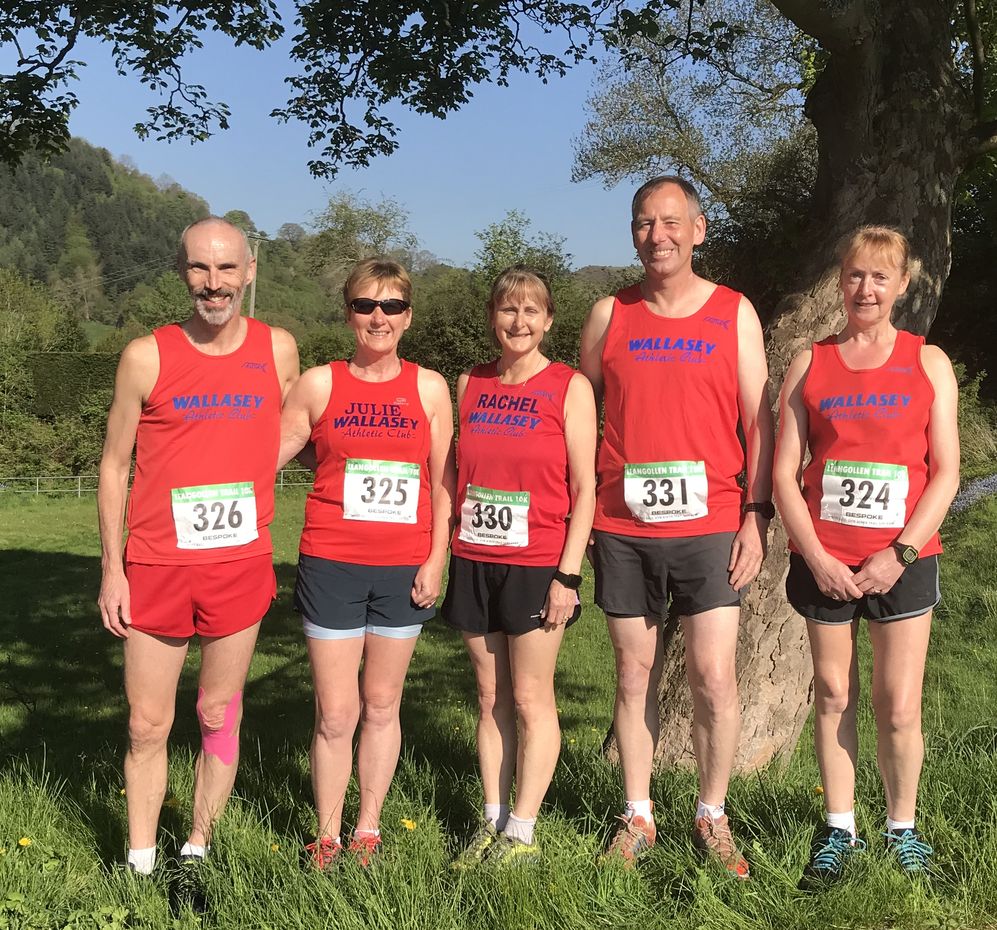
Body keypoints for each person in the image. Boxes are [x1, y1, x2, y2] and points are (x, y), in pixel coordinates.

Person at [97, 217, 299, 896]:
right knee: (147, 722)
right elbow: (112, 466)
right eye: (199, 269)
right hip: (155, 567)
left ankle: (197, 849)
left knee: (218, 711)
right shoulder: (145, 356)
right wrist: (110, 568)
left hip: (240, 568)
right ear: (183, 273)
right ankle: (140, 860)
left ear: (249, 271)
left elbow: (298, 432)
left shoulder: (279, 351)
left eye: (226, 269)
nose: (213, 284)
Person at [579, 176, 774, 878]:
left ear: (697, 228)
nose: (655, 234)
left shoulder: (732, 313)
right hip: (623, 527)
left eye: (669, 221)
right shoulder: (608, 314)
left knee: (713, 678)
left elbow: (758, 420)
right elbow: (577, 418)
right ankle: (637, 815)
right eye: (641, 222)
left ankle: (711, 814)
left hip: (713, 522)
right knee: (632, 676)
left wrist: (755, 515)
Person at [773, 226, 959, 883]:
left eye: (880, 277)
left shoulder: (926, 362)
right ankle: (839, 829)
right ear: (839, 280)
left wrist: (899, 553)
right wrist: (816, 556)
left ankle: (902, 831)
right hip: (826, 559)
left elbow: (945, 473)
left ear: (902, 285)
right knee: (831, 694)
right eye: (854, 274)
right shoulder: (808, 362)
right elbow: (783, 475)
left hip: (900, 562)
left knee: (898, 704)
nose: (865, 288)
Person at [278, 258, 455, 868]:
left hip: (404, 567)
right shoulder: (318, 384)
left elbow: (442, 484)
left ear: (408, 317)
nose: (378, 318)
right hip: (331, 562)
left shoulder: (430, 388)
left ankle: (368, 830)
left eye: (392, 307)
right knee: (335, 711)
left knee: (382, 705)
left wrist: (437, 557)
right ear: (348, 313)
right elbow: (269, 454)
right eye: (365, 305)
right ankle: (326, 833)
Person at [441, 267, 597, 866]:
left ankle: (523, 831)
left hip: (538, 563)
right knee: (489, 696)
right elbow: (456, 472)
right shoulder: (471, 382)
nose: (519, 322)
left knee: (531, 698)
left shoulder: (569, 386)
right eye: (508, 310)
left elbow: (584, 488)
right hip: (475, 555)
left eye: (532, 311)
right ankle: (491, 818)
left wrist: (568, 574)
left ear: (549, 320)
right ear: (493, 318)